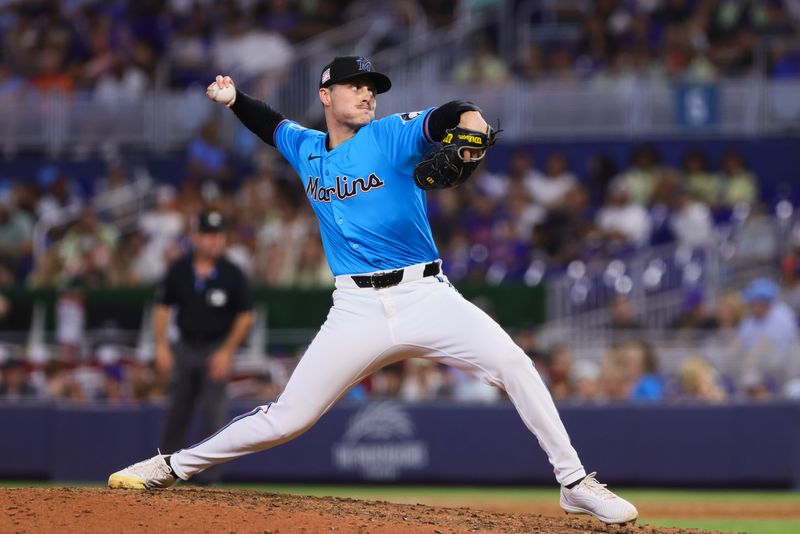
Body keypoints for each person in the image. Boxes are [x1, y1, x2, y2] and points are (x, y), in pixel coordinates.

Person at [109, 56, 637, 525]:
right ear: (325, 96)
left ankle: (574, 484)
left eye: (371, 86)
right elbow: (270, 125)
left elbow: (453, 112)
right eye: (354, 85)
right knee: (288, 419)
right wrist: (233, 100)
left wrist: (472, 128)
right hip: (356, 307)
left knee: (515, 364)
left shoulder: (391, 134)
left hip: (427, 295)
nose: (366, 93)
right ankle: (171, 465)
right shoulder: (307, 148)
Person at [153, 211, 254, 484]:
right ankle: (161, 473)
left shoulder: (232, 273)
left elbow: (246, 315)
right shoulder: (180, 268)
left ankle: (210, 482)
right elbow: (162, 307)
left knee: (214, 416)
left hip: (215, 348)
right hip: (185, 347)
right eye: (209, 235)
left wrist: (227, 350)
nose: (214, 241)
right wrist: (161, 346)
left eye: (219, 235)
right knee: (175, 414)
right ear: (196, 236)